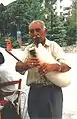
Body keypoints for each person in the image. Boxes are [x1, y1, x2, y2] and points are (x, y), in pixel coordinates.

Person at [15, 20, 71, 119]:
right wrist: (26, 65)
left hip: (52, 92)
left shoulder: (53, 46)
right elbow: (18, 67)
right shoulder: (29, 49)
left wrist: (53, 66)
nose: (35, 34)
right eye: (31, 31)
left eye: (38, 30)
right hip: (35, 92)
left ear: (45, 31)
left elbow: (67, 66)